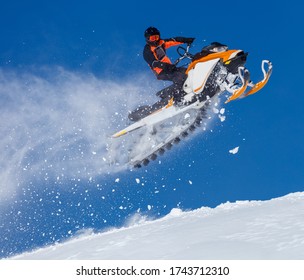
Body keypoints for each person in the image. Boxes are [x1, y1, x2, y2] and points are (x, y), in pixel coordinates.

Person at [143, 26, 195, 100]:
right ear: (148, 39)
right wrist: (166, 66)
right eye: (152, 38)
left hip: (169, 68)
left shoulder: (161, 43)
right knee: (179, 78)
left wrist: (186, 40)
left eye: (156, 37)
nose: (155, 40)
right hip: (161, 71)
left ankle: (193, 90)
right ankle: (175, 99)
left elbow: (174, 40)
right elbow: (154, 63)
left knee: (187, 72)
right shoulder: (147, 50)